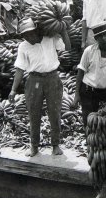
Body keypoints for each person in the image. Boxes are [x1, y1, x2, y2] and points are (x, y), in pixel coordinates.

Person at [9, 18, 70, 157]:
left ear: (36, 30)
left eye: (30, 33)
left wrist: (63, 30)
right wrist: (13, 89)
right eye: (24, 35)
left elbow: (67, 47)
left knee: (54, 112)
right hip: (34, 80)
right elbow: (19, 68)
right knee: (33, 113)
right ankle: (34, 146)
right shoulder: (23, 46)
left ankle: (55, 144)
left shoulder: (50, 38)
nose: (27, 37)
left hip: (52, 78)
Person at [74, 22, 106, 127]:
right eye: (99, 36)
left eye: (105, 34)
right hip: (88, 89)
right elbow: (81, 72)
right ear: (96, 38)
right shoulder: (89, 51)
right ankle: (89, 141)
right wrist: (76, 94)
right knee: (89, 123)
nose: (103, 38)